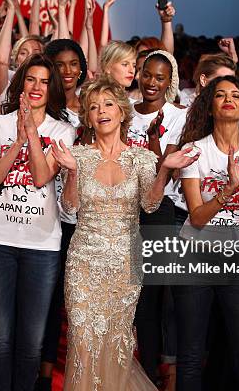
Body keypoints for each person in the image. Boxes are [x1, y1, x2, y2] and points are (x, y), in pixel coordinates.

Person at [53, 75, 198, 390]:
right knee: (84, 342)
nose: (101, 111)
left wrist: (163, 169)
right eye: (93, 107)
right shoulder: (77, 156)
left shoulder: (142, 158)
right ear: (88, 118)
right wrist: (74, 173)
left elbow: (149, 204)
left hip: (123, 264)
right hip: (84, 264)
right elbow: (69, 207)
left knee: (117, 345)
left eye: (108, 104)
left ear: (121, 111)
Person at [0, 53, 76, 390]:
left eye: (45, 82)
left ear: (53, 90)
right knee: (0, 338)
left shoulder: (63, 130)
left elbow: (40, 176)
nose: (37, 87)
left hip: (41, 246)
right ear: (21, 83)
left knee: (31, 343)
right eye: (31, 79)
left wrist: (32, 133)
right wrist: (18, 137)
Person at [175, 75, 239, 391]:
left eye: (236, 95)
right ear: (211, 106)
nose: (228, 99)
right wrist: (228, 189)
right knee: (189, 358)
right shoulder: (194, 150)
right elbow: (198, 217)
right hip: (196, 260)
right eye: (220, 95)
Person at [33, 38, 88, 390]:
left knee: (80, 304)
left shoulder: (94, 108)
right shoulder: (46, 111)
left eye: (74, 64)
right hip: (46, 216)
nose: (67, 71)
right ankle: (43, 375)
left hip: (86, 218)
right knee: (51, 303)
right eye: (60, 65)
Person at [129, 50, 185, 383]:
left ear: (169, 81)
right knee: (130, 296)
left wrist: (153, 139)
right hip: (121, 209)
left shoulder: (179, 116)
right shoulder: (123, 111)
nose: (151, 82)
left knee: (151, 296)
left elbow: (167, 172)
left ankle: (151, 374)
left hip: (159, 211)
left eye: (159, 77)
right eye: (147, 74)